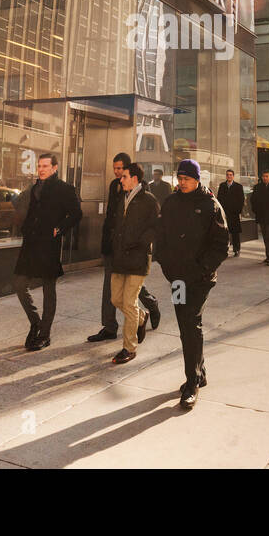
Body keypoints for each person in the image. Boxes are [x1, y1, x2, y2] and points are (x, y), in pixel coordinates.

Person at [154, 159, 229, 409]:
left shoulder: (211, 206)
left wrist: (203, 269)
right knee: (184, 324)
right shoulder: (171, 202)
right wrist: (165, 265)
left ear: (197, 179)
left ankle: (192, 383)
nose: (182, 182)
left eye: (186, 178)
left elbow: (220, 245)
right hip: (176, 278)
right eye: (180, 178)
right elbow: (160, 235)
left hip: (200, 279)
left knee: (191, 323)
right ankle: (200, 371)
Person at [89, 152, 161, 343]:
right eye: (114, 169)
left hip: (133, 250)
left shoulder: (144, 195)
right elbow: (112, 215)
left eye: (120, 169)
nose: (117, 173)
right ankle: (110, 326)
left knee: (133, 288)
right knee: (112, 289)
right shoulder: (115, 186)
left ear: (130, 171)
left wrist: (140, 242)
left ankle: (149, 307)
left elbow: (154, 225)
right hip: (114, 244)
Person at [12, 153, 82, 351]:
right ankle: (36, 322)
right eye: (39, 166)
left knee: (48, 289)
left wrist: (59, 229)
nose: (41, 169)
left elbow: (77, 214)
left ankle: (45, 334)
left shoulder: (65, 189)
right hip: (31, 243)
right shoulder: (35, 188)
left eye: (45, 166)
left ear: (54, 168)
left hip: (49, 245)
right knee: (19, 283)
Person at [106, 163, 159, 364]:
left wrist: (140, 243)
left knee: (128, 303)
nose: (121, 179)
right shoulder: (123, 198)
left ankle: (129, 348)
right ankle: (141, 317)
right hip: (119, 259)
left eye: (125, 176)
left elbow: (156, 227)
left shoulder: (149, 200)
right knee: (116, 299)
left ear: (134, 178)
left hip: (137, 259)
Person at [216, 169, 245, 257]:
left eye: (230, 175)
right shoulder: (222, 186)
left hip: (234, 213)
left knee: (235, 233)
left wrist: (238, 211)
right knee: (224, 233)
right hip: (224, 213)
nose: (229, 176)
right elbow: (219, 199)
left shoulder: (238, 186)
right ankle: (224, 250)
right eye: (227, 175)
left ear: (233, 176)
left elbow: (241, 200)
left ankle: (237, 249)